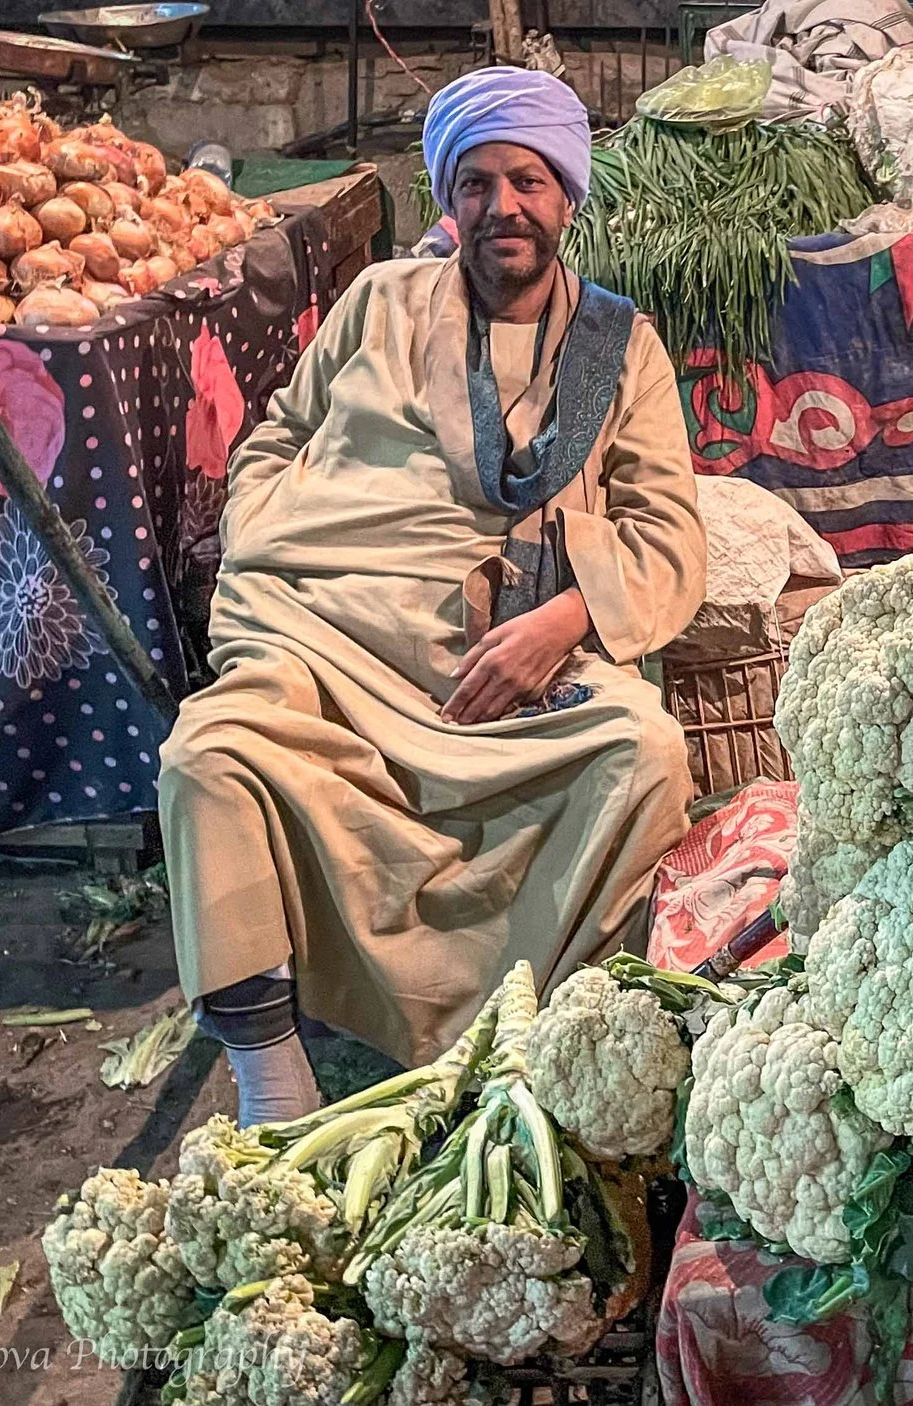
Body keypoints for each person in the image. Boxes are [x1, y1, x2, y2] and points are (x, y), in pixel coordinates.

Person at [160, 66, 705, 1124]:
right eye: (477, 183)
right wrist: (266, 535)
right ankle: (273, 1081)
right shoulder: (379, 301)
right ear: (448, 200)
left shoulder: (617, 347)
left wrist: (562, 619)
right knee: (209, 757)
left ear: (566, 198)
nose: (503, 206)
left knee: (642, 751)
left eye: (528, 182)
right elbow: (276, 432)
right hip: (319, 637)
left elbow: (667, 531)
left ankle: (526, 1034)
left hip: (483, 665)